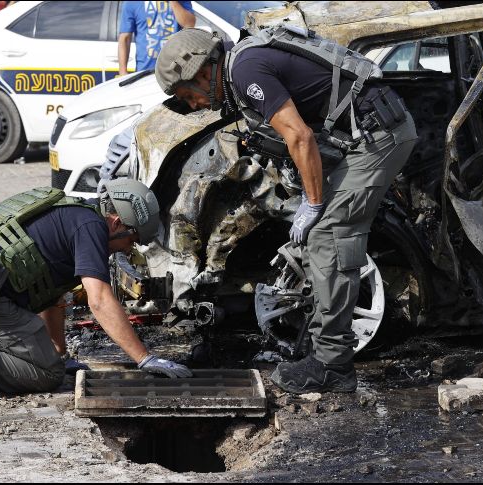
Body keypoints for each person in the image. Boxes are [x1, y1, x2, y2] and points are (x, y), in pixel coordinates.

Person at [154, 27, 418, 394]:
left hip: (376, 137)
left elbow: (300, 136)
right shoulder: (242, 67)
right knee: (317, 236)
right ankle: (324, 346)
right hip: (365, 135)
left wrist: (312, 204)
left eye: (189, 96)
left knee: (330, 233)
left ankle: (332, 365)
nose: (197, 105)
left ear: (201, 72)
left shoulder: (246, 71)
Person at [0, 180, 192, 408]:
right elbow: (98, 299)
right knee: (45, 374)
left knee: (47, 361)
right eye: (132, 239)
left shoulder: (67, 214)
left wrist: (58, 352)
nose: (129, 248)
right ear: (116, 222)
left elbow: (52, 297)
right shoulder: (91, 227)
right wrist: (145, 358)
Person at [118, 1, 195, 77]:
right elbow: (125, 38)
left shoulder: (182, 2)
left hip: (176, 71)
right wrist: (123, 72)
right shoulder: (132, 3)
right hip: (145, 72)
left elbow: (189, 24)